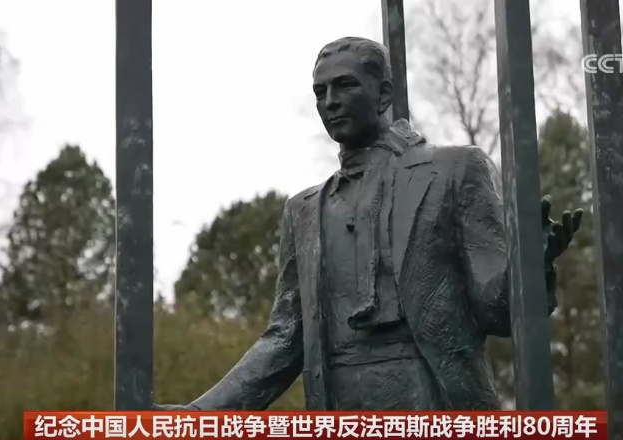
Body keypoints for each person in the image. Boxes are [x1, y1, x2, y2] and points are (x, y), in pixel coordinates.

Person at [157, 36, 582, 410]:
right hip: (338, 403)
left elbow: (495, 310)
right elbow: (285, 339)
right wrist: (200, 413)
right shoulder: (303, 210)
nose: (330, 101)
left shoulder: (453, 171)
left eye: (345, 86)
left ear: (383, 95)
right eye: (320, 91)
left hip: (433, 396)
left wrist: (530, 267)